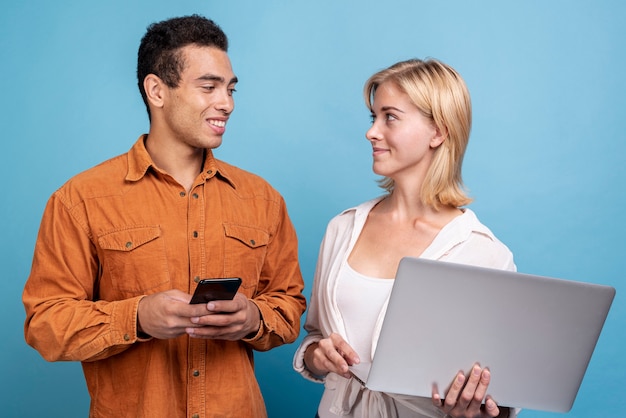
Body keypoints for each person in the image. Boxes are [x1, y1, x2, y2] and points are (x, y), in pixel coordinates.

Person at [23, 15, 306, 418]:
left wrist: (253, 317)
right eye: (208, 87)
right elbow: (45, 323)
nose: (227, 102)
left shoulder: (263, 200)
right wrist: (136, 317)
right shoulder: (80, 199)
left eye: (230, 88)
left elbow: (288, 305)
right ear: (156, 90)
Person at [293, 58, 518, 418]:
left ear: (438, 132)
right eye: (373, 118)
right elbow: (315, 336)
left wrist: (472, 412)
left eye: (390, 117)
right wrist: (316, 356)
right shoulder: (342, 228)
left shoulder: (483, 252)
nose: (371, 132)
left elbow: (502, 394)